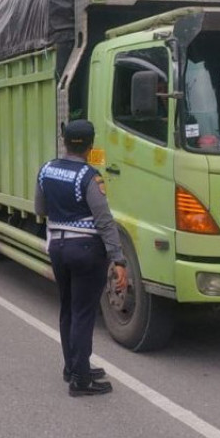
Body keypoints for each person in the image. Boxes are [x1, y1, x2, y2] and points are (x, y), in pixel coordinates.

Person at [34, 119, 128, 397]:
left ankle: (72, 366)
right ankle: (81, 380)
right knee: (83, 313)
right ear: (90, 144)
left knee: (67, 309)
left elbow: (40, 208)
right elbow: (105, 221)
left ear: (64, 141)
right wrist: (119, 260)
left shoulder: (46, 170)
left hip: (58, 248)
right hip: (86, 252)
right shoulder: (89, 176)